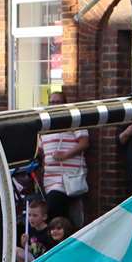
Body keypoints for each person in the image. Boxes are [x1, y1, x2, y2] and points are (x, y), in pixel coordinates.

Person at [38, 90, 89, 228]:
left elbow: (84, 142)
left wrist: (64, 155)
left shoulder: (73, 121)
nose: (54, 105)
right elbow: (41, 151)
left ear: (65, 104)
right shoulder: (45, 126)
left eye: (58, 102)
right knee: (60, 215)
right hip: (49, 179)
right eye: (52, 102)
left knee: (53, 211)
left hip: (66, 178)